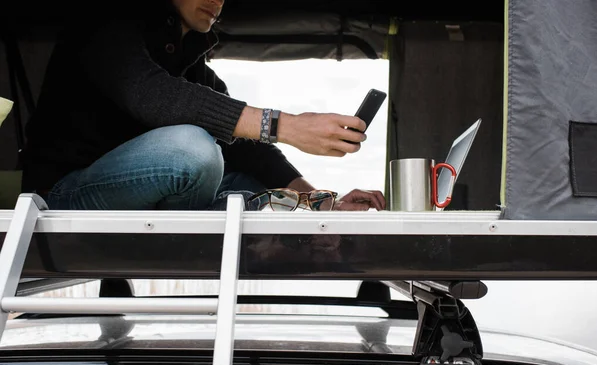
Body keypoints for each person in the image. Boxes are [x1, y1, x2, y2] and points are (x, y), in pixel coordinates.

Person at [21, 0, 386, 212]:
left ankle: (259, 204)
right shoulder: (102, 21)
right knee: (193, 150)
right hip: (64, 194)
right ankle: (245, 204)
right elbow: (151, 95)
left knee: (245, 175)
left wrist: (319, 203)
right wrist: (286, 125)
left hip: (147, 195)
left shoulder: (196, 69)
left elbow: (250, 151)